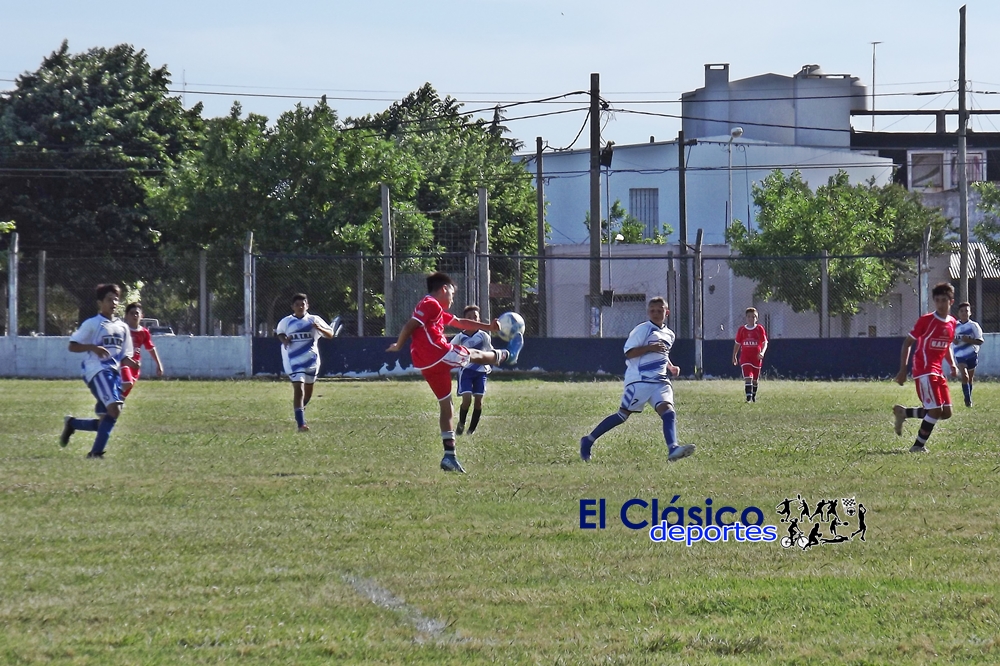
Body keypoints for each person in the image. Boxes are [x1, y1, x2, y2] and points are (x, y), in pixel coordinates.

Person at [387, 272, 513, 473]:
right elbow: (410, 325)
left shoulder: (434, 309)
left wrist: (488, 327)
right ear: (444, 289)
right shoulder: (431, 303)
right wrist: (398, 344)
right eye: (452, 294)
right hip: (436, 353)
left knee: (447, 406)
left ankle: (449, 457)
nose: (453, 299)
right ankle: (506, 355)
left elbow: (462, 323)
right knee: (474, 354)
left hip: (426, 363)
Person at [579, 297, 695, 463]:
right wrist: (649, 347)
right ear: (648, 312)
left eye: (660, 310)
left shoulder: (669, 334)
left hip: (660, 381)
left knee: (668, 412)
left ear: (666, 313)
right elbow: (629, 352)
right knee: (622, 415)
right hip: (639, 380)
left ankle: (673, 448)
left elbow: (663, 352)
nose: (656, 313)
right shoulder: (642, 330)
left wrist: (671, 366)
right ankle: (588, 440)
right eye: (652, 310)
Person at [60, 283, 139, 458]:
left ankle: (73, 424)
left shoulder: (123, 327)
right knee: (115, 409)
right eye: (109, 299)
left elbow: (124, 356)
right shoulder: (92, 324)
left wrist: (131, 363)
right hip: (96, 370)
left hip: (113, 374)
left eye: (116, 299)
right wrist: (93, 347)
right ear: (100, 302)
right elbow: (72, 346)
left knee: (106, 419)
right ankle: (95, 454)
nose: (113, 303)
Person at [893, 282, 959, 453]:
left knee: (946, 412)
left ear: (951, 302)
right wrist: (903, 369)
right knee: (935, 410)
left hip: (938, 370)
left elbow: (946, 346)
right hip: (924, 369)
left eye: (944, 300)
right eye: (937, 300)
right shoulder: (926, 321)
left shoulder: (952, 323)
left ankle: (904, 413)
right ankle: (917, 446)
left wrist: (952, 364)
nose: (940, 304)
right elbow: (907, 343)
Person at [276, 293, 336, 432]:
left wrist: (319, 328)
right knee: (299, 388)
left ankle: (299, 411)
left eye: (303, 304)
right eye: (297, 305)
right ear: (292, 307)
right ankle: (301, 424)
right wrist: (285, 340)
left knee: (307, 394)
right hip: (294, 360)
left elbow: (330, 335)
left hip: (311, 360)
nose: (300, 307)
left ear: (307, 305)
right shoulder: (286, 321)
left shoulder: (314, 320)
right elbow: (280, 333)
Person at [451, 305, 493, 436]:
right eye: (469, 318)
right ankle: (461, 423)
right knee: (467, 399)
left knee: (478, 401)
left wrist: (492, 357)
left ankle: (471, 430)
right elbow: (451, 349)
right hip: (466, 372)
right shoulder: (460, 337)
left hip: (481, 371)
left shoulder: (484, 336)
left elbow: (490, 350)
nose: (472, 320)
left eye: (475, 317)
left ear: (479, 319)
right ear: (465, 320)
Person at [121, 303, 164, 398]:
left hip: (135, 366)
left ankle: (111, 403)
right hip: (124, 363)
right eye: (132, 313)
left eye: (137, 313)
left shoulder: (144, 332)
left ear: (141, 316)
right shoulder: (122, 330)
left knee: (121, 397)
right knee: (127, 382)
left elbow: (151, 348)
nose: (135, 315)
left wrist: (159, 364)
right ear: (127, 315)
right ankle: (109, 395)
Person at [732, 307, 768, 402]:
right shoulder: (742, 330)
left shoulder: (760, 329)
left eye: (753, 317)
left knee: (755, 380)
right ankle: (748, 398)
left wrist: (762, 352)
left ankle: (753, 397)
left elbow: (765, 342)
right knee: (748, 377)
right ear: (746, 318)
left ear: (757, 318)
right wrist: (734, 356)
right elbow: (737, 343)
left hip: (756, 358)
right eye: (749, 317)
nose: (751, 319)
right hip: (745, 358)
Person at [952, 301, 984, 407]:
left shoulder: (974, 325)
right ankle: (968, 400)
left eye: (966, 311)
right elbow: (949, 337)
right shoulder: (954, 325)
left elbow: (980, 341)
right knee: (964, 376)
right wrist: (953, 340)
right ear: (958, 313)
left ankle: (968, 396)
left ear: (970, 313)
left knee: (970, 378)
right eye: (962, 311)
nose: (964, 313)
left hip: (972, 354)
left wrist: (969, 341)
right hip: (959, 354)